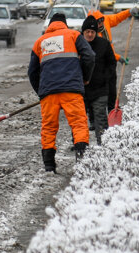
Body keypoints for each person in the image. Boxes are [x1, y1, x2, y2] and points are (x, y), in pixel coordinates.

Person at [28, 11, 95, 172]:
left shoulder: (40, 42)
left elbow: (32, 71)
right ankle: (81, 159)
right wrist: (85, 78)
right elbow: (90, 56)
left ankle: (49, 165)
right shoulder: (73, 35)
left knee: (49, 127)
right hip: (71, 90)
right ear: (64, 24)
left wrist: (41, 91)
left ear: (50, 25)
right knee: (78, 123)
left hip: (48, 93)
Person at [79, 15, 117, 145]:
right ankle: (81, 145)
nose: (90, 34)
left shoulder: (104, 45)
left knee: (100, 118)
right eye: (87, 32)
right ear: (83, 32)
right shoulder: (76, 44)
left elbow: (112, 64)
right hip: (81, 90)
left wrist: (104, 77)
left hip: (99, 89)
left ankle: (103, 145)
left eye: (92, 32)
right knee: (80, 120)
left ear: (96, 32)